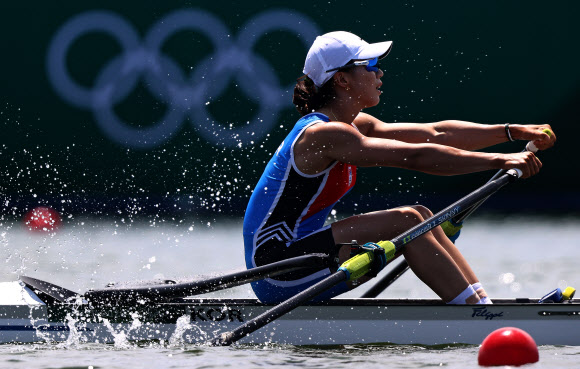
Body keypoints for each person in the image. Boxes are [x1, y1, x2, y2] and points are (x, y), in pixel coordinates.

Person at [242, 31, 556, 305]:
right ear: (341, 79)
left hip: (306, 252)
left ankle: (479, 304)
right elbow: (415, 157)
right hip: (277, 269)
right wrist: (500, 160)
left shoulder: (352, 124)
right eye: (371, 66)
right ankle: (479, 316)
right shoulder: (324, 134)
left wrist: (511, 131)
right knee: (407, 220)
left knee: (420, 215)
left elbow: (435, 134)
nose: (380, 74)